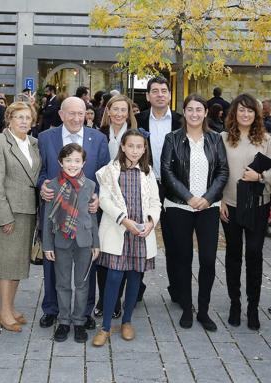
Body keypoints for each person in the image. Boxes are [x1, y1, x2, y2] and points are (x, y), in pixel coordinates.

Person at [37, 97, 110, 331]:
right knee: (53, 265)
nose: (77, 118)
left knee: (85, 267)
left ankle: (84, 312)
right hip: (55, 213)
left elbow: (104, 176)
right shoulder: (45, 138)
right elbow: (39, 173)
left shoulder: (98, 139)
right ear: (61, 115)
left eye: (81, 113)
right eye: (71, 113)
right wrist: (43, 186)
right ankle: (52, 309)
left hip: (85, 215)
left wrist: (98, 196)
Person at [161, 93, 229, 330]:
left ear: (206, 112)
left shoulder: (215, 139)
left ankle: (204, 310)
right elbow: (167, 172)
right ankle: (187, 308)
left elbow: (222, 171)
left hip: (208, 208)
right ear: (184, 111)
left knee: (208, 259)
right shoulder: (172, 139)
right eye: (190, 109)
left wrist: (208, 198)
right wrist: (189, 197)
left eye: (199, 109)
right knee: (183, 258)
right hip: (179, 206)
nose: (194, 114)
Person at [92, 129, 161, 346]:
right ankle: (104, 326)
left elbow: (155, 202)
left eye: (139, 147)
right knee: (113, 277)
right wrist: (124, 220)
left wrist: (151, 222)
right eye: (130, 146)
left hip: (140, 233)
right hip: (118, 231)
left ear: (144, 149)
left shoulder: (147, 172)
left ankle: (127, 321)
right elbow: (104, 200)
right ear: (122, 146)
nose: (134, 150)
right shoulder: (109, 172)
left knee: (134, 278)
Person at [220, 94, 271, 331]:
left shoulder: (265, 139)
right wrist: (219, 199)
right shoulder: (223, 138)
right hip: (230, 204)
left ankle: (253, 307)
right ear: (234, 113)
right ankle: (235, 304)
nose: (245, 115)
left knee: (254, 254)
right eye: (241, 110)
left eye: (250, 111)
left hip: (257, 205)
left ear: (257, 114)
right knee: (233, 255)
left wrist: (260, 176)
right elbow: (218, 170)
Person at [0, 101, 41, 332]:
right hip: (8, 213)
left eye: (28, 117)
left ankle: (10, 307)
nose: (24, 121)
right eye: (19, 117)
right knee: (6, 265)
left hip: (28, 211)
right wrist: (4, 216)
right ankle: (3, 311)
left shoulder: (34, 143)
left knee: (17, 264)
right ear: (9, 118)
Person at [42, 143, 99, 343]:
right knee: (63, 284)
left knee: (82, 284)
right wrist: (47, 245)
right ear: (60, 162)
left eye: (77, 161)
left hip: (84, 240)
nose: (72, 165)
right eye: (68, 160)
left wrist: (96, 243)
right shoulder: (52, 186)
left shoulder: (90, 185)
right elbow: (48, 217)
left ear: (84, 162)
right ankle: (64, 321)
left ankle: (79, 321)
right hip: (61, 240)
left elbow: (92, 217)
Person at [135, 76, 183, 304]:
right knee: (141, 236)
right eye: (155, 91)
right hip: (145, 184)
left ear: (170, 94)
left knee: (176, 240)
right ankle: (137, 288)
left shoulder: (182, 121)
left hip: (174, 187)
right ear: (148, 96)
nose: (160, 94)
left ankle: (177, 289)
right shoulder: (138, 120)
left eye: (164, 90)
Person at [95, 94, 138, 318]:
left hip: (128, 202)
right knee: (104, 252)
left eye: (124, 110)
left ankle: (117, 300)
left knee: (123, 253)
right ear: (108, 112)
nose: (119, 114)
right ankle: (103, 299)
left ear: (129, 113)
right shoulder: (98, 134)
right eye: (115, 110)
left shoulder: (137, 135)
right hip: (104, 200)